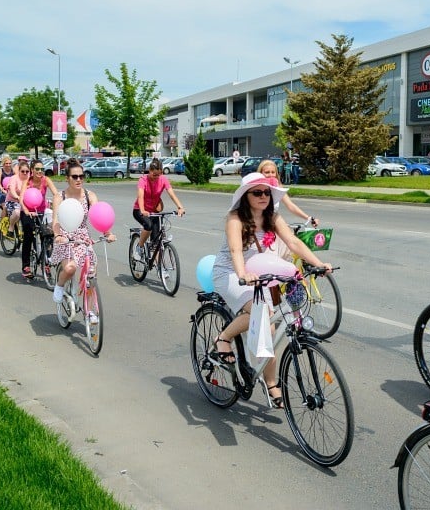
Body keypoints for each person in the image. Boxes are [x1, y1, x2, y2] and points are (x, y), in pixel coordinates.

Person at [210, 173, 333, 408]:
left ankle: (271, 383)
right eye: (257, 192)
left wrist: (318, 264)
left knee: (272, 327)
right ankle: (223, 337)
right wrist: (243, 274)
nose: (263, 196)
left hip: (261, 274)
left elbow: (294, 243)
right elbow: (236, 250)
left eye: (267, 192)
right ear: (246, 196)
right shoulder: (235, 219)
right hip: (231, 273)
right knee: (263, 313)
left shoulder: (273, 217)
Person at [49, 159, 116, 305]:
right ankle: (59, 286)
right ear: (67, 178)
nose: (79, 179)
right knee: (70, 268)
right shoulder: (60, 197)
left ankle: (91, 309)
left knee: (92, 272)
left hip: (83, 238)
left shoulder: (89, 195)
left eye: (81, 176)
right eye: (74, 177)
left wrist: (107, 233)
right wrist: (58, 235)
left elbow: (99, 216)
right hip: (65, 237)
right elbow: (55, 221)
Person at [132, 158, 185, 260]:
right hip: (139, 210)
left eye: (159, 174)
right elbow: (140, 196)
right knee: (148, 225)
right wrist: (143, 210)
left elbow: (171, 194)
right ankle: (140, 246)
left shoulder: (163, 179)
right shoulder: (143, 180)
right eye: (154, 174)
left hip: (154, 212)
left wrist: (180, 207)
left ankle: (160, 269)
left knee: (156, 242)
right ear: (150, 171)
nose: (156, 177)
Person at [18, 159, 59, 279]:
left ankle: (46, 263)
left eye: (42, 169)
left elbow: (56, 194)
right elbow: (21, 198)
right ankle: (26, 266)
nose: (40, 171)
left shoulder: (46, 180)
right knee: (29, 235)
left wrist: (60, 202)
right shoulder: (27, 181)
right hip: (27, 211)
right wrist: (26, 211)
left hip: (41, 211)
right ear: (32, 170)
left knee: (47, 236)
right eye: (37, 169)